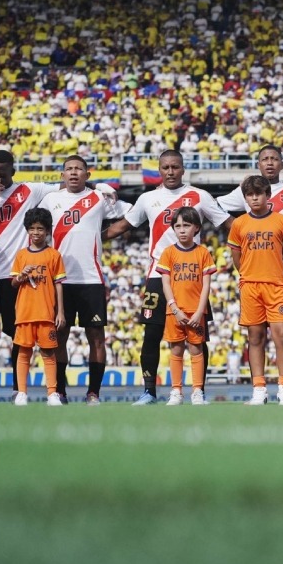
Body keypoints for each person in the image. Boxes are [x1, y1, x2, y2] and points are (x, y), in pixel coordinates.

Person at [105, 150, 233, 405]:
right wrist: (90, 238)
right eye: (166, 167)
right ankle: (149, 391)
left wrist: (254, 234)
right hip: (158, 276)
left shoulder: (199, 196)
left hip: (192, 278)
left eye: (175, 167)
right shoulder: (148, 198)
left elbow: (229, 223)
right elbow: (122, 227)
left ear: (183, 169)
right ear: (160, 170)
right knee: (151, 334)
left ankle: (198, 390)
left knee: (198, 336)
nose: (170, 172)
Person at [218, 145, 283, 386]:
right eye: (265, 159)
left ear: (282, 164)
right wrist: (238, 227)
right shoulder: (245, 192)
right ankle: (259, 387)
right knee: (256, 333)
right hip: (254, 274)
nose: (270, 163)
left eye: (275, 159)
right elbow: (213, 205)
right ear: (259, 164)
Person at [0, 150, 60, 396]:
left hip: (16, 279)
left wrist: (102, 187)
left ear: (13, 171)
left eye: (1, 173)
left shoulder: (30, 190)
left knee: (18, 337)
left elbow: (64, 186)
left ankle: (16, 390)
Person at [38, 155, 127, 406]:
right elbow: (36, 228)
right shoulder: (50, 200)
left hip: (91, 278)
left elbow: (132, 215)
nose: (74, 173)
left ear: (87, 174)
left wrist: (103, 236)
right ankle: (60, 392)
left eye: (79, 169)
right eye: (69, 169)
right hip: (59, 280)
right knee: (59, 335)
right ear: (62, 175)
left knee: (96, 337)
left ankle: (93, 393)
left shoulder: (99, 198)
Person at [227, 175, 283, 406]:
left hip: (276, 285)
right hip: (250, 286)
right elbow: (236, 255)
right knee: (255, 337)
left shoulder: (281, 221)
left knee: (282, 336)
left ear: (268, 195)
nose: (254, 198)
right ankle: (259, 389)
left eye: (259, 193)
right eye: (250, 195)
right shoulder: (239, 223)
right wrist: (247, 273)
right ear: (245, 198)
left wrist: (277, 272)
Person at [157, 207, 217, 406]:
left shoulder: (203, 253)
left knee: (195, 349)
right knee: (176, 350)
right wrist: (174, 308)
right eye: (178, 226)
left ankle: (197, 391)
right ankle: (176, 391)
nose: (182, 230)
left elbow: (206, 285)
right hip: (174, 311)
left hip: (195, 311)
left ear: (197, 228)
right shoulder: (168, 253)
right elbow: (165, 283)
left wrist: (200, 311)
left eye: (187, 225)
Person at [9, 208, 67, 407]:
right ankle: (22, 393)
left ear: (47, 230)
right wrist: (21, 276)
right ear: (27, 230)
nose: (36, 232)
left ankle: (52, 393)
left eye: (40, 228)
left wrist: (60, 311)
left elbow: (59, 284)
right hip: (25, 313)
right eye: (32, 228)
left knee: (48, 353)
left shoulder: (54, 255)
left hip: (46, 313)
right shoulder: (21, 255)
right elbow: (13, 284)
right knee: (24, 352)